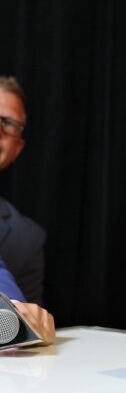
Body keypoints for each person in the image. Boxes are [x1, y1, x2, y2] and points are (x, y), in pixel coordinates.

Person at [0, 76, 55, 345]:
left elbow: (22, 323)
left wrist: (27, 322)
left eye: (8, 122)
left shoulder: (28, 238)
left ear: (18, 148)